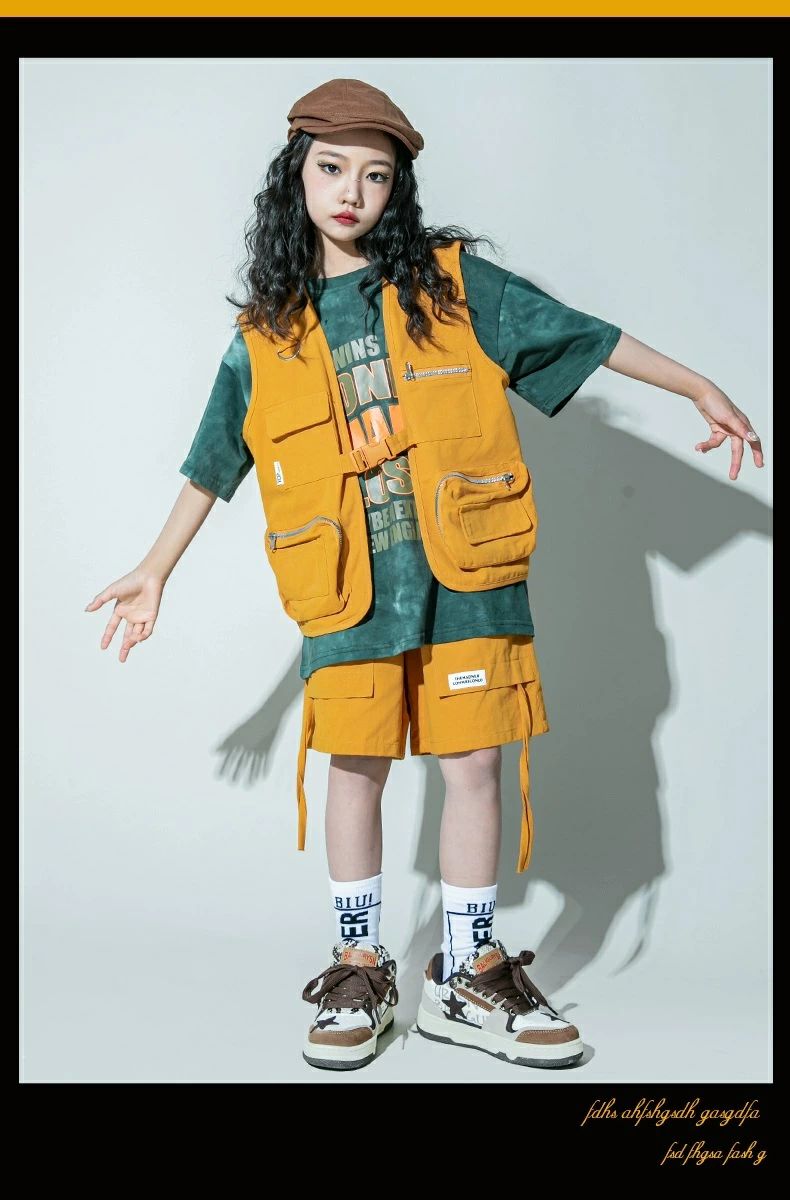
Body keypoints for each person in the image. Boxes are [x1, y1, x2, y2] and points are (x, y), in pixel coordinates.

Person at [85, 78, 764, 1074]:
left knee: (475, 765)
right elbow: (212, 462)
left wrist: (696, 384)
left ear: (396, 188)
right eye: (331, 169)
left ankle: (466, 973)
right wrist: (155, 569)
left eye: (375, 175)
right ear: (296, 177)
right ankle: (360, 966)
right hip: (346, 591)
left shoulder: (452, 288)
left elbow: (579, 332)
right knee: (354, 767)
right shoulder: (264, 338)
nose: (350, 191)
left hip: (469, 576)